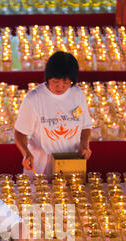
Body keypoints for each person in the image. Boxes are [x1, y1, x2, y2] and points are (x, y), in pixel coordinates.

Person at [14, 50, 93, 180]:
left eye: (66, 83)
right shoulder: (34, 98)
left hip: (70, 164)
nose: (60, 86)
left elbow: (85, 125)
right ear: (48, 76)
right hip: (40, 166)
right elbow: (20, 133)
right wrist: (26, 153)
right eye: (56, 81)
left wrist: (84, 144)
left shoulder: (77, 95)